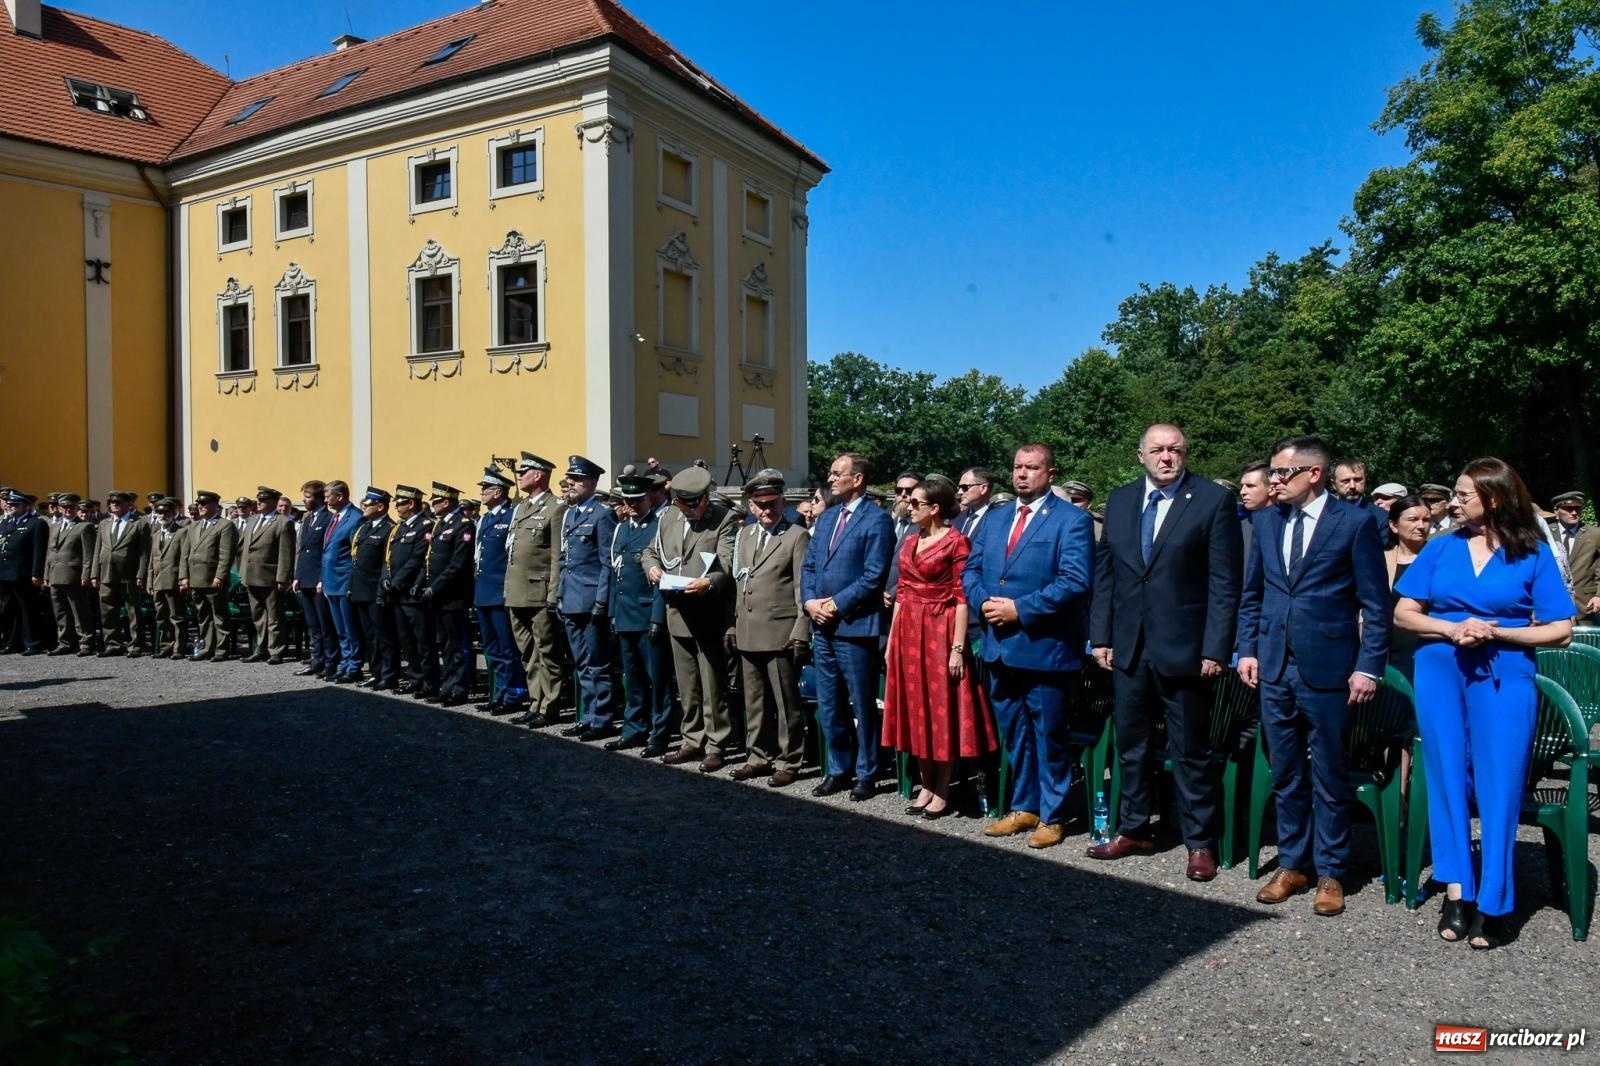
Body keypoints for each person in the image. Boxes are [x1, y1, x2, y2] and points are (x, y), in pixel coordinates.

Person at [1393, 458, 1574, 950]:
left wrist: (1499, 631)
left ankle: (1495, 899)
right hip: (1440, 669)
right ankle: (1457, 890)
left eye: (1463, 494)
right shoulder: (1440, 548)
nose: (1453, 502)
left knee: (1500, 780)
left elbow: (1560, 628)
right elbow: (1404, 612)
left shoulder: (1531, 550)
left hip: (1505, 671)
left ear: (1493, 498)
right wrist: (1450, 627)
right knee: (1446, 775)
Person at [1236, 435, 1390, 917]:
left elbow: (1376, 604)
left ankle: (1331, 872)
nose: (1273, 481)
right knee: (1285, 771)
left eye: (1282, 474)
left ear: (1314, 474)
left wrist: (1368, 665)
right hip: (1274, 666)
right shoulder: (1264, 522)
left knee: (1328, 771)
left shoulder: (1355, 522)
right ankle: (1292, 862)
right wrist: (1247, 649)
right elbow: (1253, 593)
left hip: (1328, 667)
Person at [1089, 423, 1242, 879]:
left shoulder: (1213, 501)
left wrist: (1217, 648)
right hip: (1130, 646)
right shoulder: (1119, 501)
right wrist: (1102, 636)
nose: (1166, 457)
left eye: (1174, 449)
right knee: (1131, 744)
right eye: (1157, 450)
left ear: (1185, 454)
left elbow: (1224, 583)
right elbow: (1107, 574)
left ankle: (1200, 842)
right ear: (1141, 456)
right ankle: (1134, 827)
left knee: (1190, 749)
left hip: (1187, 648)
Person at [963, 443, 1096, 847]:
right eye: (1018, 467)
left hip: (1045, 646)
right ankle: (1025, 806)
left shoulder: (1071, 520)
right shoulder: (996, 518)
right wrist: (982, 601)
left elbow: (1075, 581)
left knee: (1049, 733)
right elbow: (971, 567)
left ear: (1050, 473)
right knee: (1015, 731)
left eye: (1032, 468)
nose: (1022, 474)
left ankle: (1053, 816)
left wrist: (1021, 609)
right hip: (999, 645)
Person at [883, 476, 997, 818]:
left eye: (916, 503)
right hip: (907, 630)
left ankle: (943, 788)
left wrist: (957, 647)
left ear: (935, 508)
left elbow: (963, 600)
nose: (909, 506)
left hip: (940, 628)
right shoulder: (908, 542)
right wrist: (891, 643)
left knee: (939, 708)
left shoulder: (956, 542)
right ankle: (926, 783)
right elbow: (901, 593)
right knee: (913, 707)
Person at [802, 452, 896, 800]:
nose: (830, 479)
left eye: (836, 473)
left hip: (854, 626)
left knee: (861, 702)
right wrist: (811, 602)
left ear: (857, 479)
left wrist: (836, 604)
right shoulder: (826, 520)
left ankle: (866, 772)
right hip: (822, 625)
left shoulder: (877, 520)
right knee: (830, 702)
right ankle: (838, 768)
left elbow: (873, 575)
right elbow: (810, 566)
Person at [642, 465, 739, 770]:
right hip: (676, 612)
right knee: (686, 686)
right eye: (691, 505)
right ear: (678, 502)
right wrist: (652, 568)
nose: (700, 508)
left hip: (709, 613)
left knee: (713, 685)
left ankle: (716, 744)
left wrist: (709, 582)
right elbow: (650, 551)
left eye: (702, 501)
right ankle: (691, 740)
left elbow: (726, 561)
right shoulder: (669, 517)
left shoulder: (724, 518)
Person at [727, 469, 812, 787]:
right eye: (760, 504)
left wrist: (800, 631)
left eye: (772, 503)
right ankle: (758, 757)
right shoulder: (745, 535)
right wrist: (733, 625)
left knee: (785, 701)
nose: (766, 510)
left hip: (780, 632)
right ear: (750, 506)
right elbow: (740, 582)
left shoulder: (795, 536)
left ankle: (789, 760)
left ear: (783, 501)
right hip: (748, 629)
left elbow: (802, 588)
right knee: (755, 700)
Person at [503, 452, 572, 728]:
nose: (519, 475)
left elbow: (557, 556)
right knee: (528, 653)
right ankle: (535, 702)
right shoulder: (520, 508)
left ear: (539, 475)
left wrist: (553, 593)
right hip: (516, 590)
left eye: (525, 471)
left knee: (547, 651)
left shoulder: (556, 508)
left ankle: (550, 704)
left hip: (539, 591)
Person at [607, 468, 671, 752]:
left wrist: (658, 617)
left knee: (657, 680)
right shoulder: (621, 528)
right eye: (627, 500)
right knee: (632, 678)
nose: (631, 506)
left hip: (647, 614)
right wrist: (612, 612)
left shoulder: (659, 528)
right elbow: (615, 574)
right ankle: (634, 728)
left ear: (649, 499)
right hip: (624, 614)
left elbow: (662, 578)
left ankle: (660, 733)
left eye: (638, 500)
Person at [557, 456, 618, 739]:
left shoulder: (602, 514)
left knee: (598, 662)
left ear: (592, 483)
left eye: (578, 479)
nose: (571, 483)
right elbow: (564, 559)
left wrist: (602, 601)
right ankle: (588, 713)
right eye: (570, 478)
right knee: (581, 662)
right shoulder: (570, 514)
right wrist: (559, 594)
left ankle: (602, 718)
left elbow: (607, 562)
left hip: (592, 598)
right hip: (570, 597)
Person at [472, 467, 527, 714]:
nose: (482, 493)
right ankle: (499, 691)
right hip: (483, 590)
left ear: (498, 491)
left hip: (500, 590)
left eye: (486, 489)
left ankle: (514, 693)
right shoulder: (483, 519)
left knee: (507, 648)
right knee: (491, 648)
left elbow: (511, 554)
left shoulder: (511, 515)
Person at [421, 482, 474, 707]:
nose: (432, 506)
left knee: (456, 644)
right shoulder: (440, 524)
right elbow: (432, 559)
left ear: (445, 502)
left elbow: (458, 563)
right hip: (439, 595)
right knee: (444, 643)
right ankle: (447, 685)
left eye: (435, 501)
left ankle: (459, 688)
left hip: (453, 595)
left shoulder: (463, 525)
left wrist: (436, 586)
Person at [386, 485, 438, 699]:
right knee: (406, 639)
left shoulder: (425, 526)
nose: (396, 506)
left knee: (423, 641)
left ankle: (430, 681)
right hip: (398, 593)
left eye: (400, 503)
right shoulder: (399, 528)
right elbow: (390, 558)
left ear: (411, 504)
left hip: (413, 593)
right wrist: (388, 581)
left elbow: (417, 559)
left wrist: (397, 582)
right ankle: (414, 677)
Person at [88, 490, 150, 657]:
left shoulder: (139, 523)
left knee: (132, 611)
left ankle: (135, 645)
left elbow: (144, 552)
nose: (114, 504)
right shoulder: (104, 524)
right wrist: (94, 574)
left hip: (129, 574)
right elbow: (97, 550)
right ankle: (112, 644)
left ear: (128, 504)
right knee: (107, 610)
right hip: (106, 572)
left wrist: (141, 574)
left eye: (118, 502)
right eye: (112, 502)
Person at [349, 487, 400, 690]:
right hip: (361, 589)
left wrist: (382, 589)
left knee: (384, 636)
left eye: (368, 504)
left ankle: (389, 674)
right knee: (369, 636)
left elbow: (387, 563)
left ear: (380, 507)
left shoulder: (389, 528)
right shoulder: (365, 527)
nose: (364, 507)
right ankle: (376, 672)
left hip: (376, 591)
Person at [178, 490, 238, 662]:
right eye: (199, 504)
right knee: (203, 616)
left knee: (219, 615)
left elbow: (226, 554)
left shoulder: (224, 526)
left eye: (204, 504)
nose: (200, 507)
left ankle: (221, 648)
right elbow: (186, 554)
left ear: (215, 505)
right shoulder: (194, 526)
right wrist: (184, 576)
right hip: (196, 578)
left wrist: (220, 576)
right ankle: (207, 647)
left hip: (213, 578)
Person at [237, 486, 295, 665]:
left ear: (272, 502)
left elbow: (286, 552)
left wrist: (282, 577)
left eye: (263, 500)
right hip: (251, 576)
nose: (259, 503)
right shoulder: (253, 520)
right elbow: (244, 549)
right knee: (258, 616)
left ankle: (276, 650)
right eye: (258, 500)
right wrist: (242, 574)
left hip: (270, 577)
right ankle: (260, 648)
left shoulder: (282, 522)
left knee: (274, 616)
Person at [319, 480, 365, 682]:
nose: (325, 499)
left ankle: (354, 665)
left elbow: (356, 554)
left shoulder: (355, 518)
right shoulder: (334, 517)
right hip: (331, 580)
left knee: (350, 627)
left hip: (345, 580)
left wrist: (351, 582)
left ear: (340, 496)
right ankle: (345, 662)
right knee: (340, 628)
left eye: (328, 495)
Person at [1384, 495, 1433, 682]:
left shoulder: (1439, 559)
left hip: (1427, 646)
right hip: (1390, 650)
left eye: (1426, 520)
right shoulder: (1381, 559)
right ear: (1394, 525)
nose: (1421, 526)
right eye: (1413, 519)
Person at [292, 481, 338, 679]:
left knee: (325, 624)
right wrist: (297, 575)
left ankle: (331, 662)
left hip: (319, 579)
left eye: (308, 496)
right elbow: (301, 549)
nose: (304, 500)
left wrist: (322, 578)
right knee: (313, 625)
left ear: (319, 498)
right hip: (305, 578)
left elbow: (326, 551)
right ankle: (316, 660)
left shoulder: (328, 518)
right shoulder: (307, 518)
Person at [45, 493, 98, 656]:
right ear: (59, 509)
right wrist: (46, 574)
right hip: (54, 574)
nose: (68, 510)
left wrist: (86, 575)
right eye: (64, 507)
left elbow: (88, 554)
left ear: (76, 508)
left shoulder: (84, 526)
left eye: (71, 507)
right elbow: (49, 552)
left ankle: (86, 643)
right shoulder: (54, 526)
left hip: (74, 575)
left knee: (79, 611)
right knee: (60, 611)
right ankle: (65, 642)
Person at [0, 490, 49, 654]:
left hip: (23, 573)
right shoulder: (6, 523)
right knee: (9, 609)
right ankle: (12, 642)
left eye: (15, 504)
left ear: (26, 506)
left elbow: (38, 550)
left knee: (27, 610)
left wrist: (37, 573)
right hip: (5, 573)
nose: (10, 506)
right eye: (10, 504)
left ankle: (32, 643)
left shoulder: (36, 523)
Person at [145, 497, 187, 659]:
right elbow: (152, 560)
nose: (162, 515)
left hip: (173, 580)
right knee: (161, 617)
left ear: (173, 513)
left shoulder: (181, 532)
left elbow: (184, 558)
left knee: (177, 617)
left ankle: (179, 647)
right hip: (157, 582)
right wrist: (150, 581)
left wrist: (183, 579)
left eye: (165, 512)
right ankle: (165, 646)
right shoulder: (156, 534)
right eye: (159, 512)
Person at [1549, 491, 1599, 621]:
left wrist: (1599, 596)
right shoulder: (1545, 533)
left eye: (1577, 508)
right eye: (1568, 509)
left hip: (1586, 606)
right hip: (1551, 604)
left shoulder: (1594, 534)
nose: (1574, 513)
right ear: (1556, 511)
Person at [1333, 457, 1390, 540]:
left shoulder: (1381, 517)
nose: (1352, 486)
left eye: (1357, 480)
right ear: (1334, 484)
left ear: (1365, 480)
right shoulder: (1323, 514)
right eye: (1346, 481)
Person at [1238, 459, 1273, 562]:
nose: (1242, 492)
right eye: (1242, 486)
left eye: (1250, 486)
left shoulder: (1289, 524)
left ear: (1271, 488)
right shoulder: (1239, 526)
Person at [954, 467, 993, 538]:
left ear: (983, 489)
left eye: (964, 487)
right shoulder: (955, 518)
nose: (960, 492)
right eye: (959, 488)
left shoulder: (997, 521)